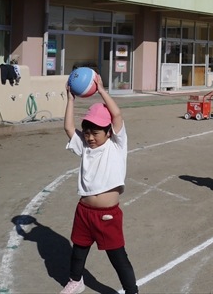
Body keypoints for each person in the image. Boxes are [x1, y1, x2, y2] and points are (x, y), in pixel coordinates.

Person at [62, 75, 138, 294]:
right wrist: (70, 100)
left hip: (107, 215)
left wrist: (102, 90)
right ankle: (76, 281)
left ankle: (132, 291)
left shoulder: (116, 145)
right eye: (87, 133)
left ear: (109, 131)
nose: (90, 138)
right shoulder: (85, 147)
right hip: (84, 211)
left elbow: (117, 114)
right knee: (78, 249)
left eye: (95, 133)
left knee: (118, 257)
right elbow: (68, 128)